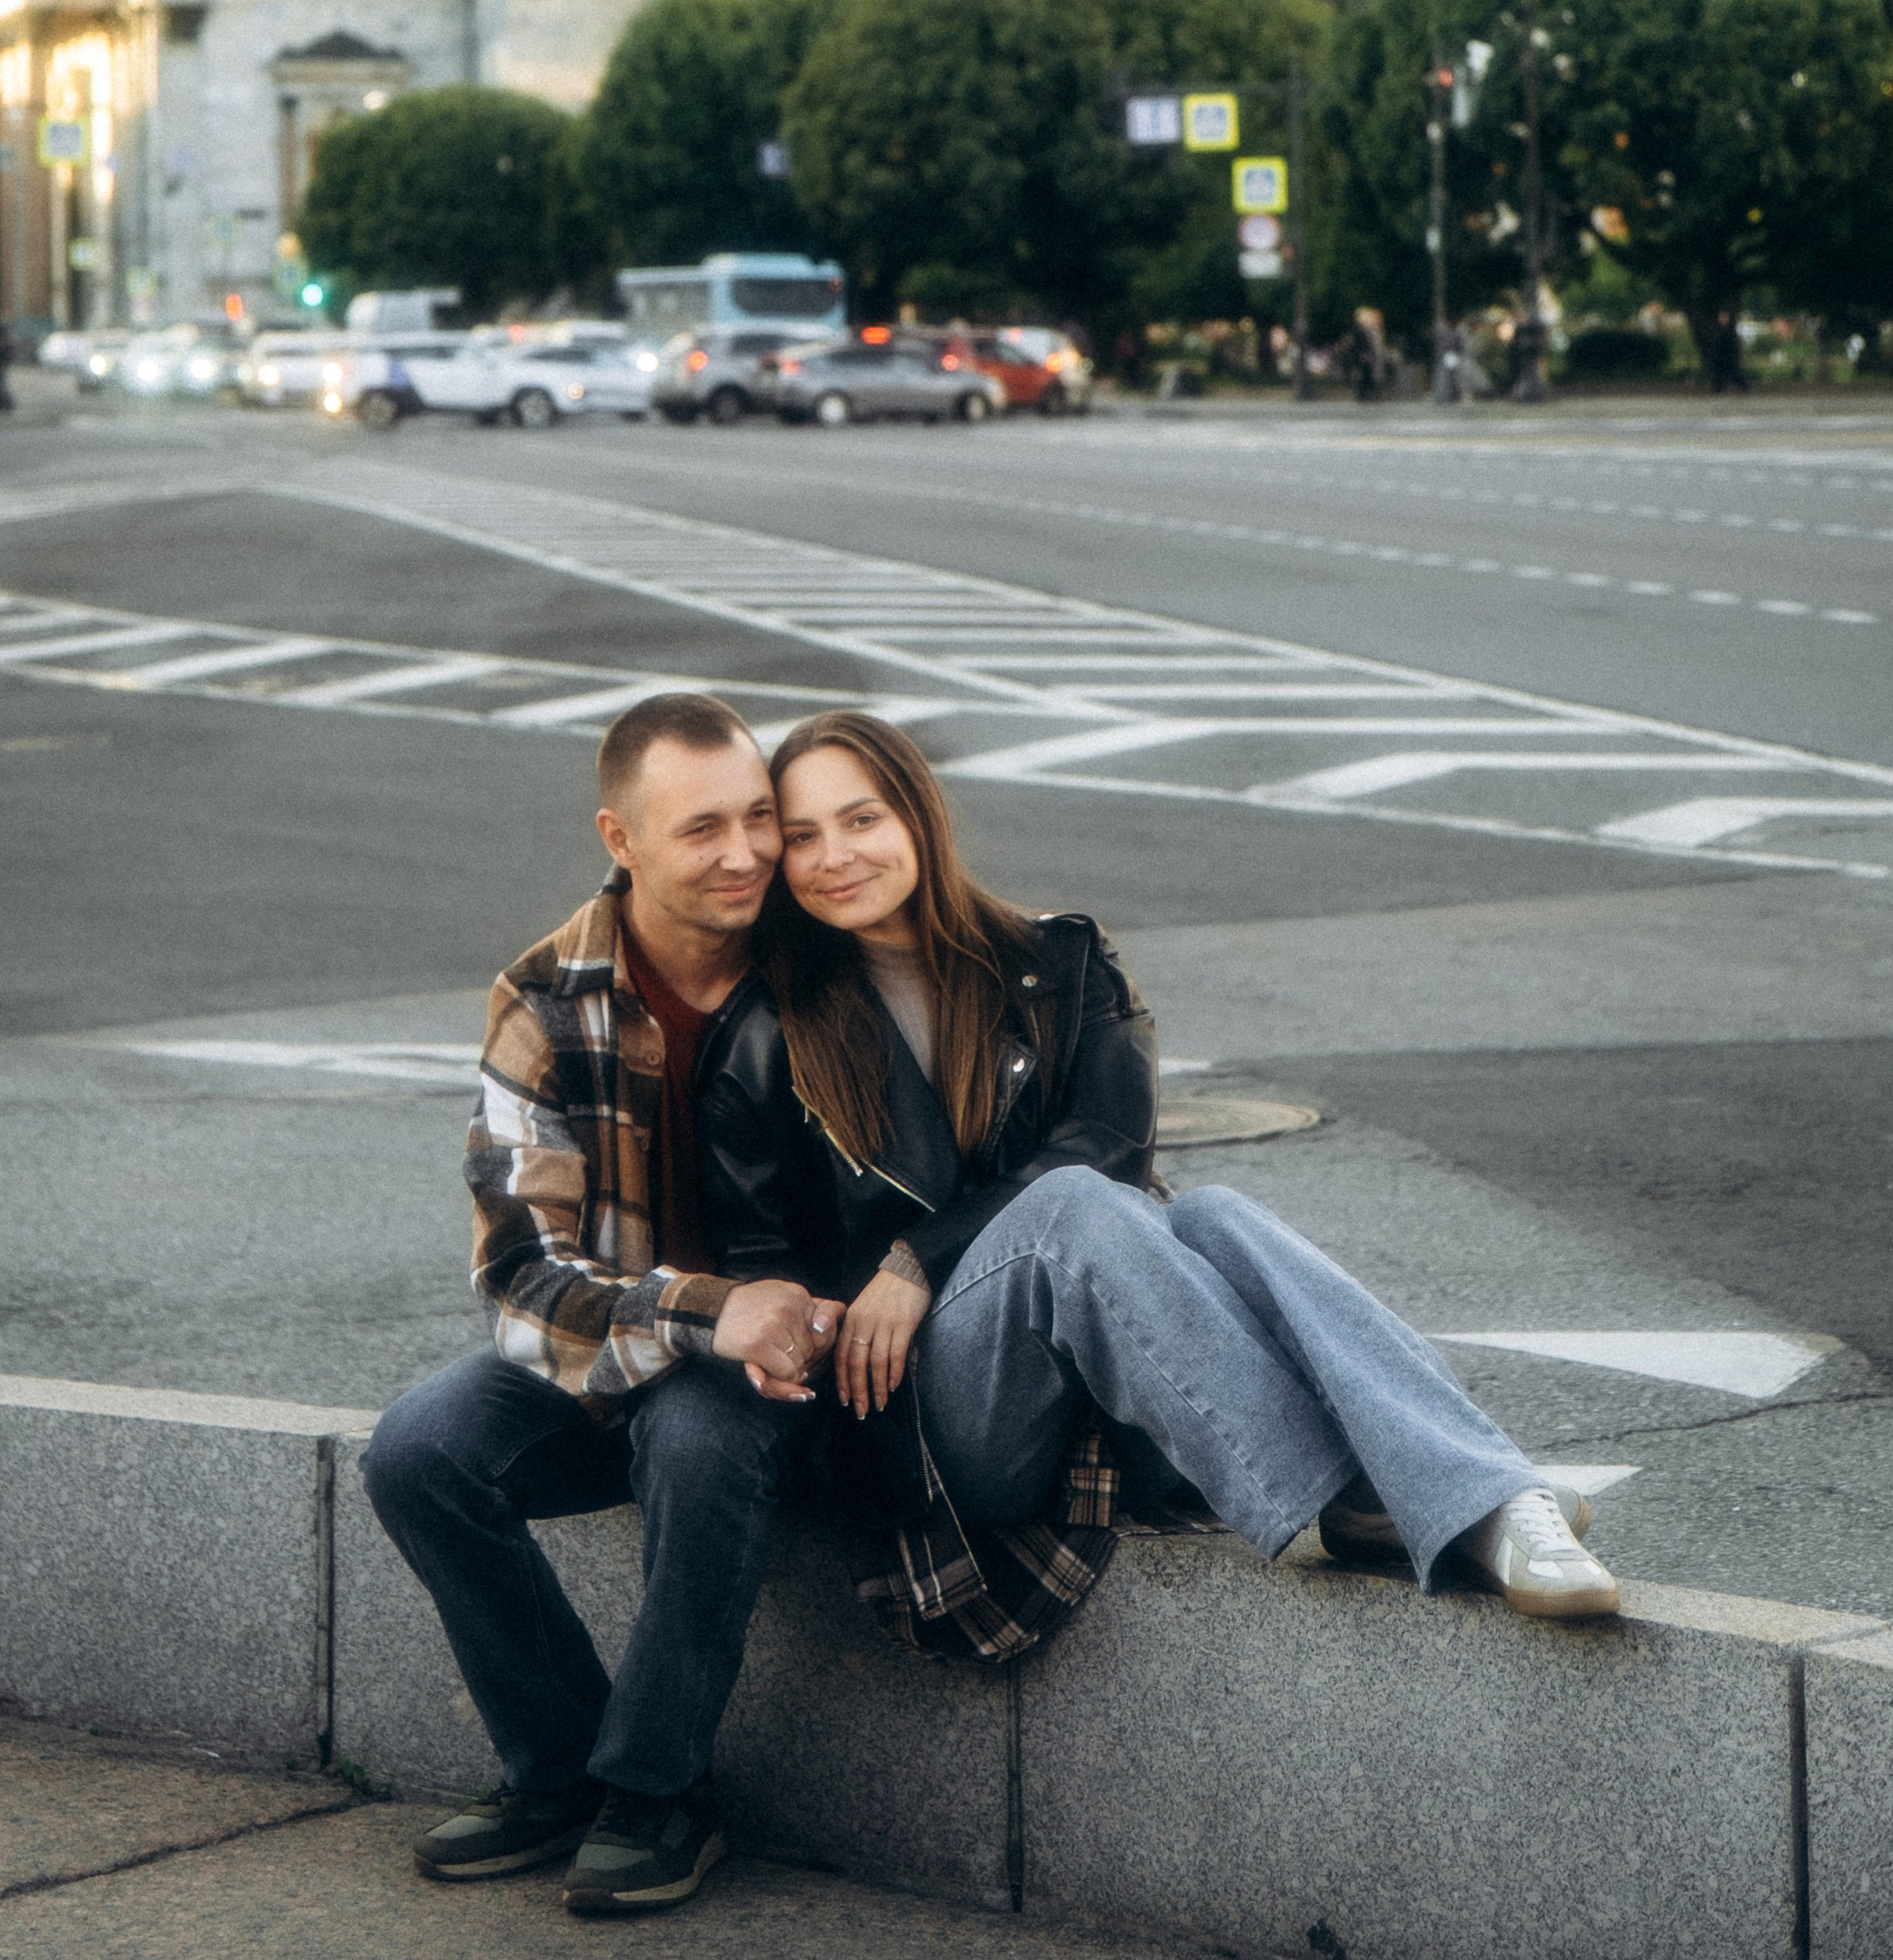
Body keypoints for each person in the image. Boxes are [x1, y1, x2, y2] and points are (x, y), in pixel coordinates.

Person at [740, 711, 1618, 1656]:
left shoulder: (1057, 964)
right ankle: (1392, 1493)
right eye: (802, 836)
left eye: (861, 820)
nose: (836, 854)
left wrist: (920, 1254)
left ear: (917, 818)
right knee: (1066, 1213)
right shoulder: (770, 1028)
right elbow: (765, 1253)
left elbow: (1109, 1146)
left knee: (1213, 1214)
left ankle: (1481, 1496)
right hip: (931, 1427)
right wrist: (898, 1279)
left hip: (1100, 1416)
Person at [360, 693, 843, 1919]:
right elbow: (520, 1279)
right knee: (420, 1450)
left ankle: (659, 1790)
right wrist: (695, 1312)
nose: (744, 855)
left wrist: (743, 1325)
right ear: (618, 839)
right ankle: (560, 1769)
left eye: (755, 820)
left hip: (790, 1363)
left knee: (696, 1433)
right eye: (700, 832)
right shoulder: (543, 1000)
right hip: (628, 1337)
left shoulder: (819, 963)